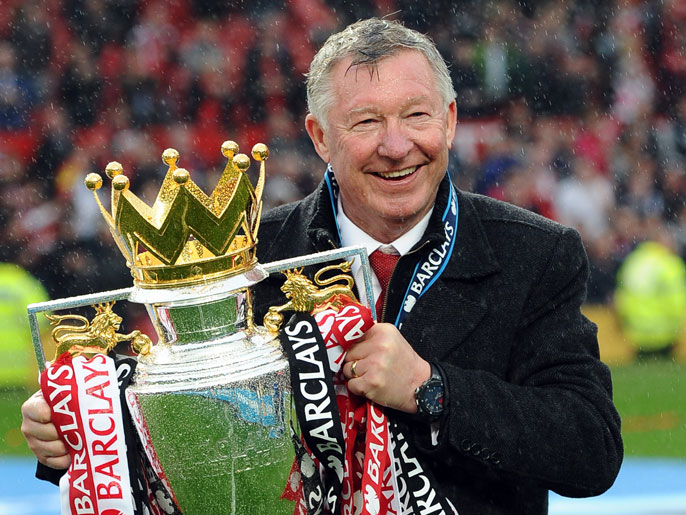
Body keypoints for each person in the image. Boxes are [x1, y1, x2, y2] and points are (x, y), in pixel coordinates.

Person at [22, 18, 622, 514]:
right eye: (365, 122)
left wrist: (432, 389)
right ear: (319, 137)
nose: (396, 145)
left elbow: (590, 450)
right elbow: (186, 427)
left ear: (451, 120)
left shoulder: (535, 253)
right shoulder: (248, 256)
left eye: (416, 115)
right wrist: (76, 432)